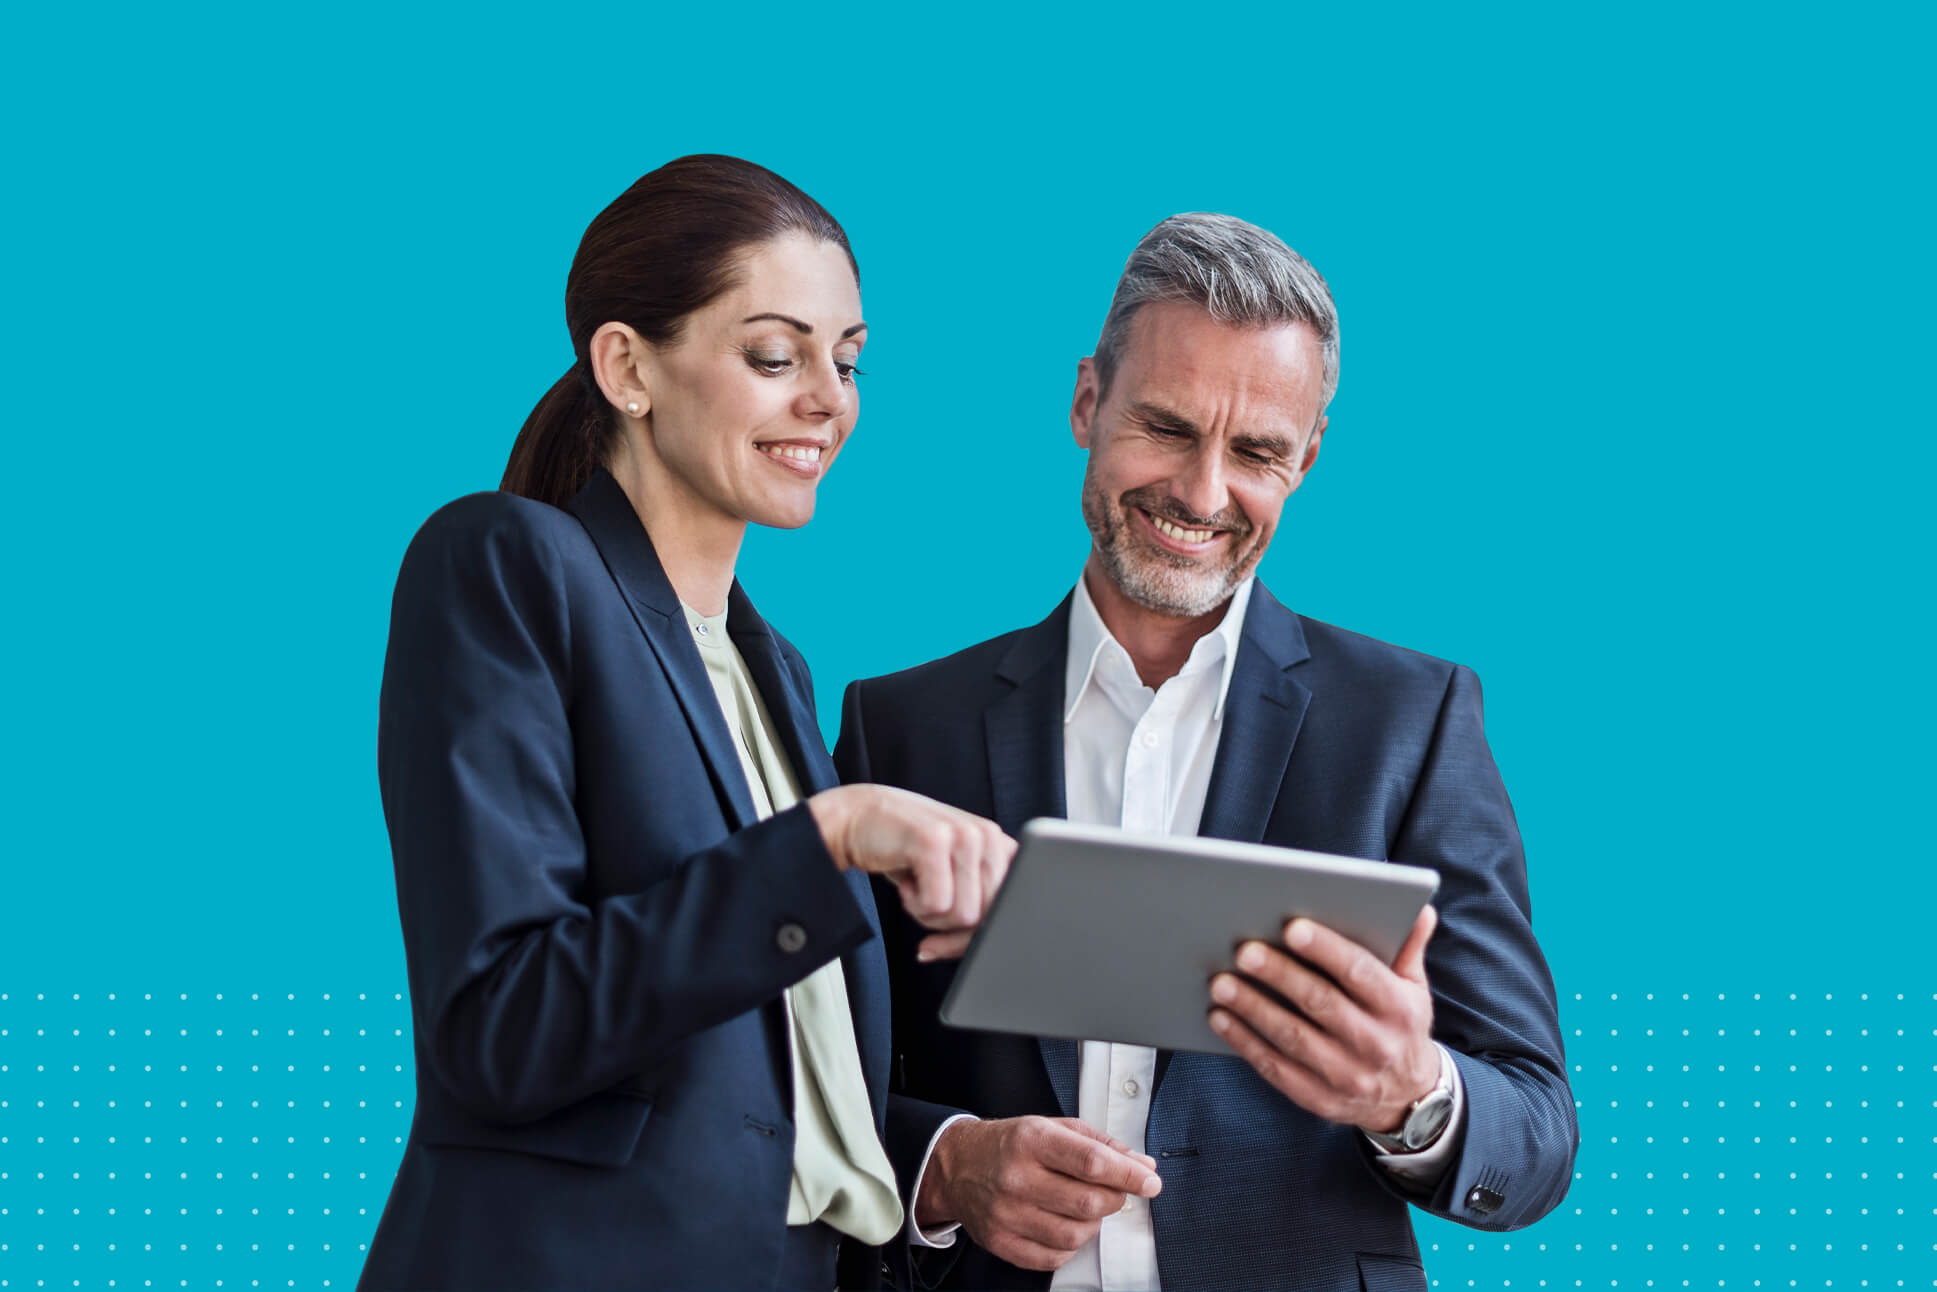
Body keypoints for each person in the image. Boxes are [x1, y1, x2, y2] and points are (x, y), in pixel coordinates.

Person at [834, 213, 1578, 1291]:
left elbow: (1535, 1135)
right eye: (1167, 428)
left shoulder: (1408, 721)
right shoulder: (898, 726)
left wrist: (1408, 1090)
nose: (1201, 492)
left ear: (1307, 456)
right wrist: (945, 1164)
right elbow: (805, 1088)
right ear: (1086, 401)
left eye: (1258, 452)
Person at [359, 154, 1016, 1292]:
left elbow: (760, 1102)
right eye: (775, 354)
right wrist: (826, 839)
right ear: (627, 367)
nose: (828, 398)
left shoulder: (779, 677)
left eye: (847, 359)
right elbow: (499, 1031)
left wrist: (944, 1160)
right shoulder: (505, 564)